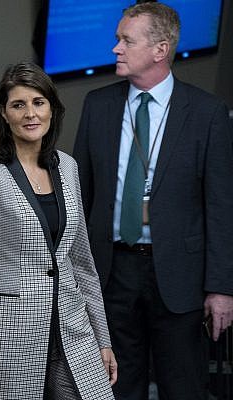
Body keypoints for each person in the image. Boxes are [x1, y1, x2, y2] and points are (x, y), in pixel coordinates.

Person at [72, 3, 233, 399]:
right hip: (112, 271)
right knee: (116, 387)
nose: (116, 49)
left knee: (183, 387)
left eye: (126, 40)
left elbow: (221, 206)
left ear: (160, 49)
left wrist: (221, 288)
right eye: (117, 39)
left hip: (179, 275)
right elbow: (80, 195)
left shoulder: (206, 112)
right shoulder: (98, 105)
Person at [0, 62, 117, 400]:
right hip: (8, 335)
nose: (30, 114)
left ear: (52, 108)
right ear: (3, 112)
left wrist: (103, 338)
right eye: (18, 104)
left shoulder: (67, 167)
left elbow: (82, 262)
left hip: (72, 327)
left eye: (38, 102)